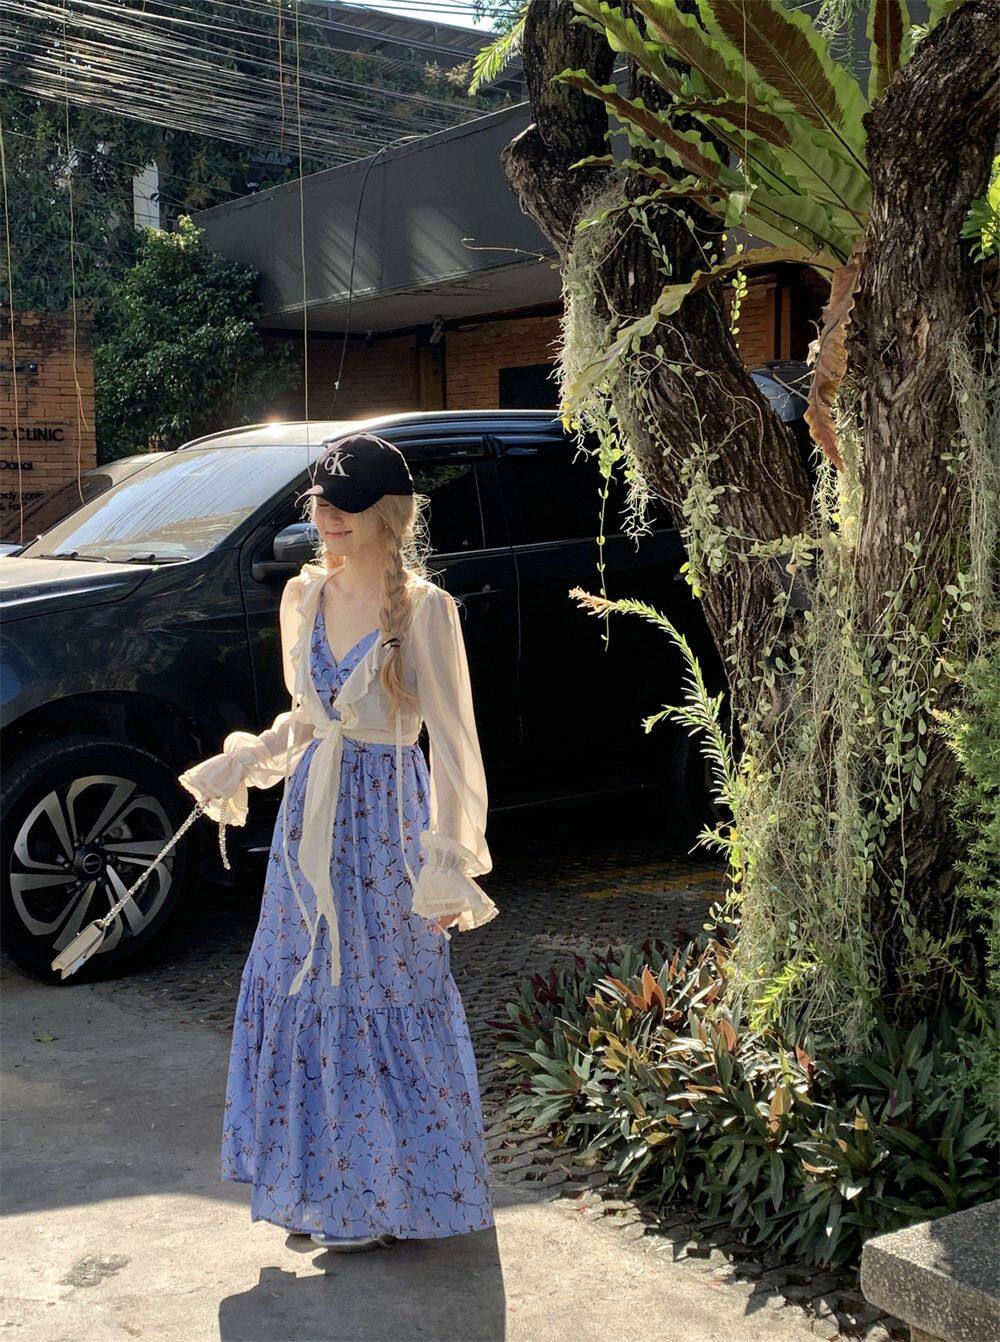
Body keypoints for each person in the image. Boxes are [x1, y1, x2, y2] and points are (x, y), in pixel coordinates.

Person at [177, 431, 499, 1252]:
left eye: (345, 506)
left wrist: (448, 862)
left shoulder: (425, 609)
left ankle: (389, 1196)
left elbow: (455, 746)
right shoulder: (303, 595)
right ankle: (327, 1188)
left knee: (383, 993)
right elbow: (310, 719)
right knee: (305, 989)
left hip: (388, 829)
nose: (327, 518)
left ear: (389, 514)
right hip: (307, 829)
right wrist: (248, 760)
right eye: (321, 503)